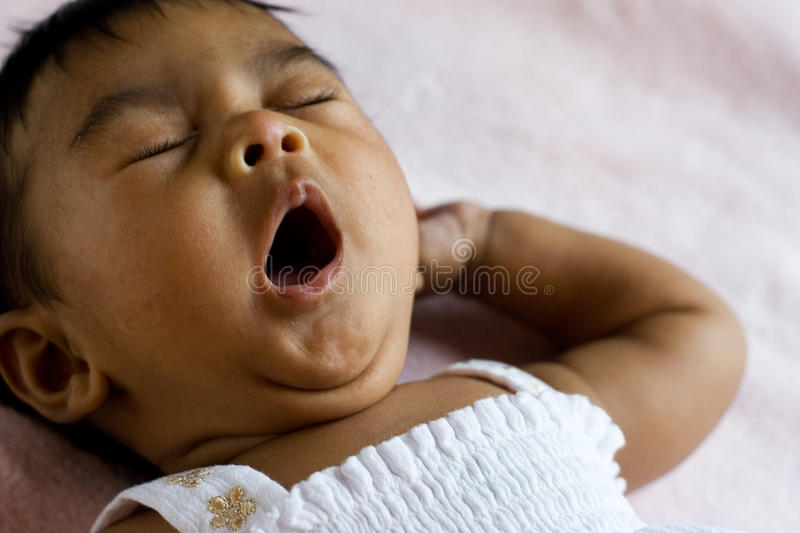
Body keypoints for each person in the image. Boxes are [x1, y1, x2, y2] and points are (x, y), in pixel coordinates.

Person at [0, 1, 746, 531]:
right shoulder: (202, 515)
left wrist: (482, 246)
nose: (269, 130)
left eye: (308, 97)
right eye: (159, 143)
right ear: (59, 364)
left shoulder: (517, 403)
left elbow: (688, 331)